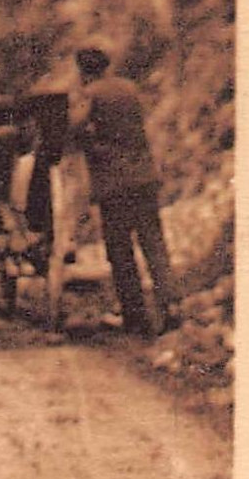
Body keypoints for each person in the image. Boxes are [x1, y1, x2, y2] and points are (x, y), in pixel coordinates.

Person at [69, 46, 182, 335]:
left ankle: (135, 316)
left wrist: (88, 140)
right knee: (154, 244)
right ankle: (170, 306)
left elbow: (74, 128)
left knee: (120, 251)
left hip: (114, 184)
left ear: (83, 70)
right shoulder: (129, 89)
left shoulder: (91, 94)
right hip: (143, 177)